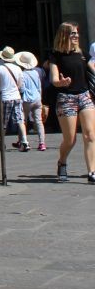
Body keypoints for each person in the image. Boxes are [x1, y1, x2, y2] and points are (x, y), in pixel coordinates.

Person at [49, 22, 95, 183]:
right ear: (64, 35)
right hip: (66, 98)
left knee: (90, 135)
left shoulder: (82, 53)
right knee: (70, 139)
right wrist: (61, 82)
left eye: (77, 33)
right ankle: (62, 162)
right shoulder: (56, 55)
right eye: (73, 33)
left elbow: (92, 69)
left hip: (85, 96)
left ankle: (92, 172)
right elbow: (54, 79)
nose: (76, 36)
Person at [0, 46, 27, 150]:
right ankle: (25, 141)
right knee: (20, 119)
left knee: (3, 122)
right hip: (16, 96)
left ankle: (1, 142)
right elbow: (20, 85)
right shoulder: (18, 68)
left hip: (5, 97)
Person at [16, 51, 46, 151]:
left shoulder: (22, 74)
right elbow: (39, 87)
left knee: (23, 120)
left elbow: (22, 88)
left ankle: (22, 140)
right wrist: (40, 98)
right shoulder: (36, 73)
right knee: (39, 121)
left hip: (27, 99)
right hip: (37, 98)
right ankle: (42, 143)